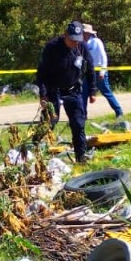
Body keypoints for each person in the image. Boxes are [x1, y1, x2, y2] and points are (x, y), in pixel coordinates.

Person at [37, 21, 95, 163]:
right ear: (65, 35)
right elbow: (41, 72)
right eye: (72, 40)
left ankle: (81, 157)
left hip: (73, 90)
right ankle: (36, 152)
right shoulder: (52, 47)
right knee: (49, 122)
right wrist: (43, 94)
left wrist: (93, 90)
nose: (75, 43)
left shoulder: (82, 47)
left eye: (78, 40)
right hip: (53, 90)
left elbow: (90, 67)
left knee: (78, 124)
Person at [81, 22, 124, 120]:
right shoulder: (81, 44)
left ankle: (118, 111)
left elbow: (103, 57)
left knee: (106, 92)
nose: (83, 34)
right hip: (87, 72)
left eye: (85, 32)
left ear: (89, 33)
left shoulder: (96, 42)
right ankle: (83, 116)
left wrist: (102, 71)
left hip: (99, 70)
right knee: (83, 93)